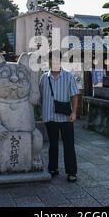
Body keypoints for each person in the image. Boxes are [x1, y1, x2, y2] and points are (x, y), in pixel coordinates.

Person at [39, 50, 79, 182]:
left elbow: (74, 95)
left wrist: (74, 112)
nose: (54, 63)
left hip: (65, 117)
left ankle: (71, 171)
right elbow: (39, 96)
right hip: (49, 116)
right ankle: (53, 168)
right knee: (53, 144)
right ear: (49, 62)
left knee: (69, 144)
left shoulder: (69, 77)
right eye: (52, 60)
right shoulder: (44, 78)